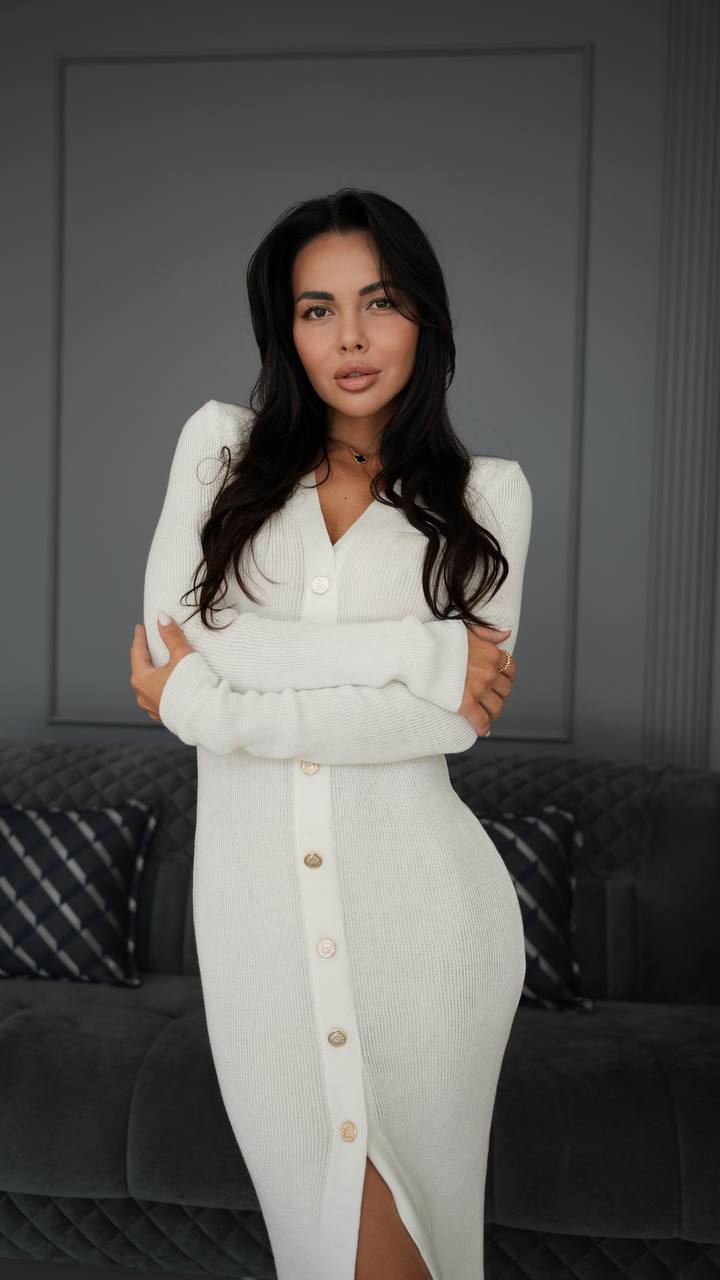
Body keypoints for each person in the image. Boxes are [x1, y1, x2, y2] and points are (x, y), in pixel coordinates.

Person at [130, 187, 532, 1280]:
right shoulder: (219, 451)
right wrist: (422, 647)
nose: (349, 338)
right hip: (257, 936)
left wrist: (196, 709)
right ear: (286, 325)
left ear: (426, 320)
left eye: (380, 302)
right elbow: (190, 641)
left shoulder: (490, 497)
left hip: (428, 932)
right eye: (317, 308)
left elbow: (431, 728)